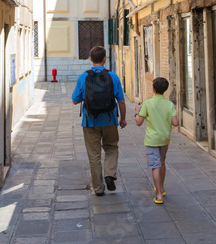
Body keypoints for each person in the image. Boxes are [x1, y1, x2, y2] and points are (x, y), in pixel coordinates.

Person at [71, 46, 126, 196]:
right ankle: (109, 174)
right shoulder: (113, 76)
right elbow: (121, 101)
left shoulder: (83, 77)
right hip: (109, 120)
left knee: (94, 155)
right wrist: (123, 119)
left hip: (90, 123)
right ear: (104, 59)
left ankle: (99, 189)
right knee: (112, 148)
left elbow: (75, 100)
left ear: (90, 59)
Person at [134, 76, 179, 205]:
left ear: (153, 89)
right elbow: (175, 123)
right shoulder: (169, 104)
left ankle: (159, 195)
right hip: (165, 139)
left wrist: (137, 112)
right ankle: (162, 188)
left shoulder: (147, 104)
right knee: (162, 162)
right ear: (165, 90)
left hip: (152, 140)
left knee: (155, 166)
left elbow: (138, 122)